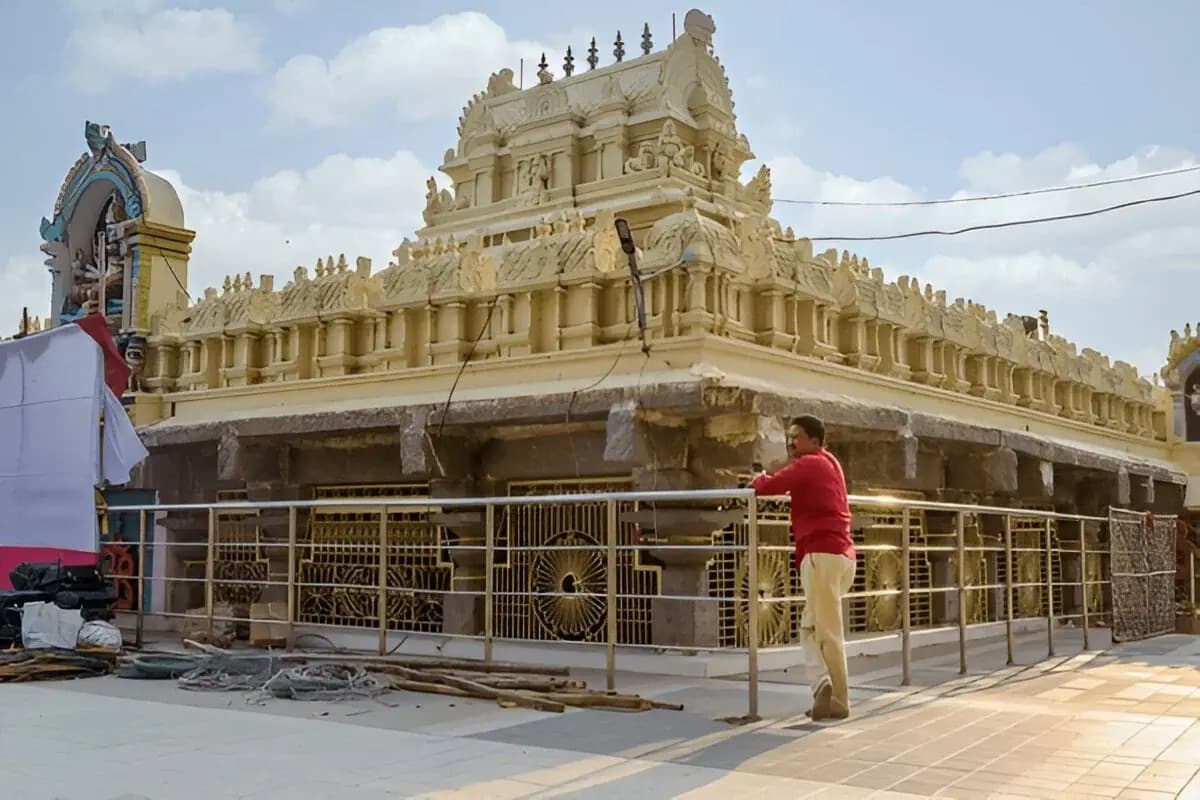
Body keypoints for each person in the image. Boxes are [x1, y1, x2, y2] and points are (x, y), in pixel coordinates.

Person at [751, 415, 856, 720]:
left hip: (821, 556)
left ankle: (838, 698)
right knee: (811, 628)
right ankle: (823, 686)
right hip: (840, 556)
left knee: (826, 633)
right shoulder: (830, 462)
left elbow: (772, 485)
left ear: (814, 440)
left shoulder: (810, 463)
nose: (790, 441)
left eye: (796, 436)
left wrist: (757, 480)